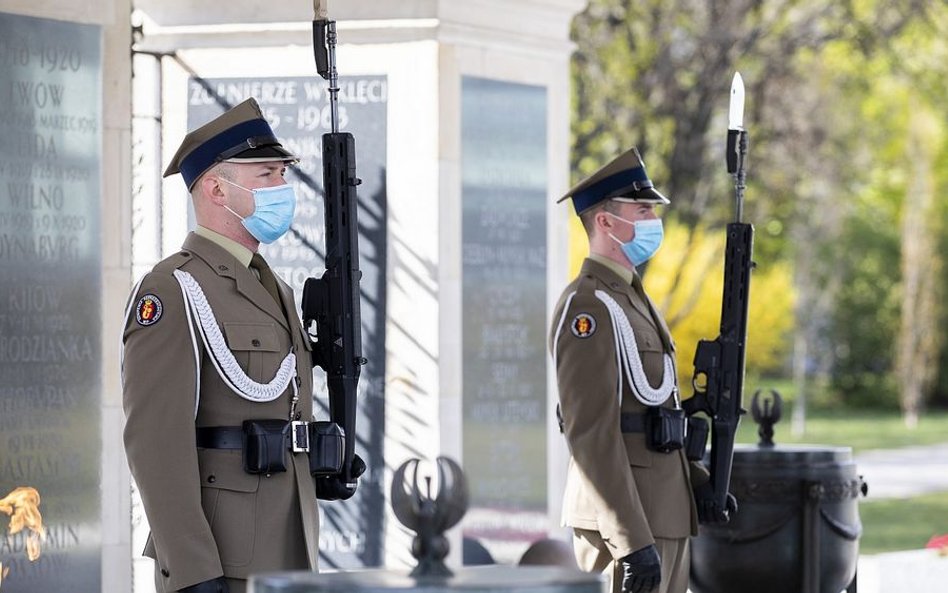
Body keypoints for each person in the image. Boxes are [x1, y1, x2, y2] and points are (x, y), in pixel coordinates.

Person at [121, 98, 319, 593]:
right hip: (222, 559)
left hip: (288, 547)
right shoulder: (173, 289)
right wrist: (191, 571)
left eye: (281, 175)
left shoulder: (272, 286)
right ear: (216, 188)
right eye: (267, 175)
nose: (282, 190)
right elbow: (155, 442)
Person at [549, 147, 711, 593]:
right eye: (642, 210)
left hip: (663, 513)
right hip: (624, 526)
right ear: (605, 222)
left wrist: (699, 484)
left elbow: (656, 409)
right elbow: (591, 433)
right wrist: (631, 540)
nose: (652, 221)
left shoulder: (633, 298)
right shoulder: (589, 306)